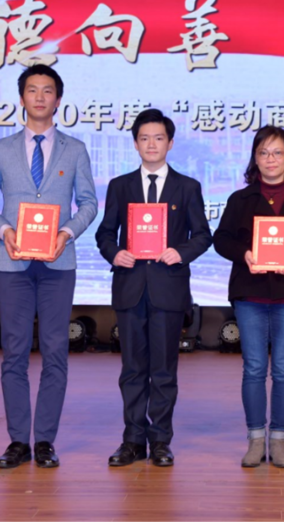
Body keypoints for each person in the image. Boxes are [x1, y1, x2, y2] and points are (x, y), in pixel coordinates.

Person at [0, 64, 98, 470]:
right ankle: (17, 441)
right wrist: (4, 230)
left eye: (47, 90)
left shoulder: (75, 149)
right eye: (32, 90)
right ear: (21, 98)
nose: (40, 97)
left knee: (55, 351)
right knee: (14, 352)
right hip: (12, 263)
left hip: (58, 263)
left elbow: (89, 203)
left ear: (58, 100)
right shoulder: (1, 149)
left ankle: (44, 440)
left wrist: (68, 232)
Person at [95, 109, 212, 468]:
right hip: (130, 287)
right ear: (135, 144)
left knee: (163, 370)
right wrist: (114, 253)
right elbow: (105, 233)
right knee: (132, 369)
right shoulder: (120, 186)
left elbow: (203, 235)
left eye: (158, 138)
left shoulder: (187, 187)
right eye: (144, 138)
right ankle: (132, 440)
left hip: (168, 289)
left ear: (170, 143)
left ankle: (160, 440)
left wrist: (182, 252)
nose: (151, 144)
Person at [213, 126, 284, 468]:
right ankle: (254, 439)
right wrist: (245, 253)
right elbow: (221, 239)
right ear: (255, 158)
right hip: (250, 292)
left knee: (283, 369)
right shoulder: (240, 200)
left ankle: (278, 440)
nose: (271, 159)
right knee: (253, 368)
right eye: (263, 153)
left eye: (277, 152)